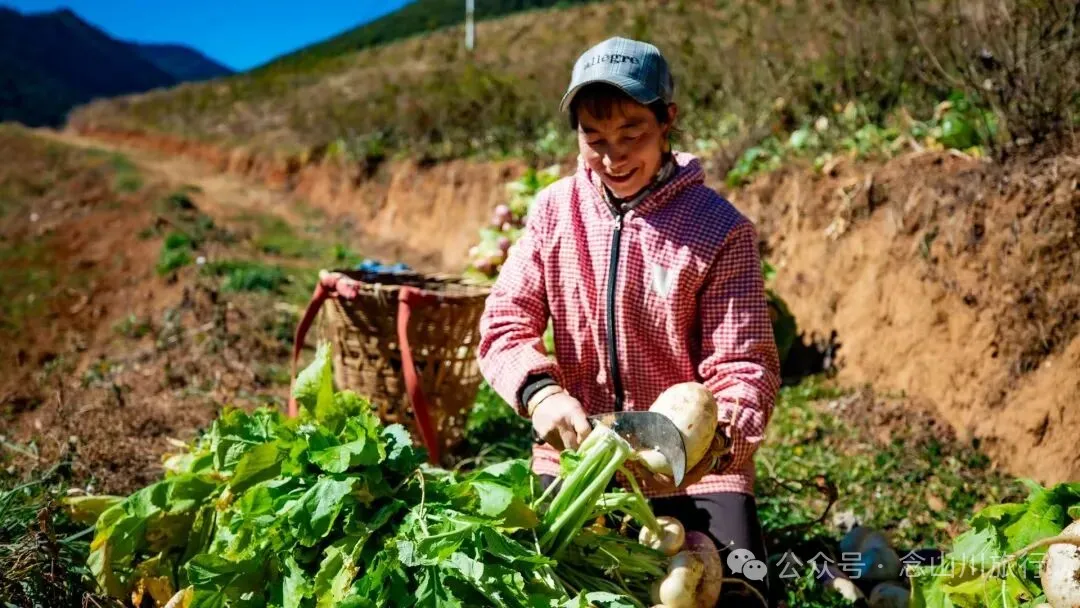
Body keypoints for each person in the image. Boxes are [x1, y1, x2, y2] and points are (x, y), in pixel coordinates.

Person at [476, 36, 782, 607]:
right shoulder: (552, 213)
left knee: (737, 592)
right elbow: (504, 323)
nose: (613, 157)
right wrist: (542, 396)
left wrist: (708, 446)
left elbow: (744, 368)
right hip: (579, 460)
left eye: (631, 135)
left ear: (668, 120)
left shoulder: (721, 231)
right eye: (595, 140)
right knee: (552, 589)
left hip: (697, 473)